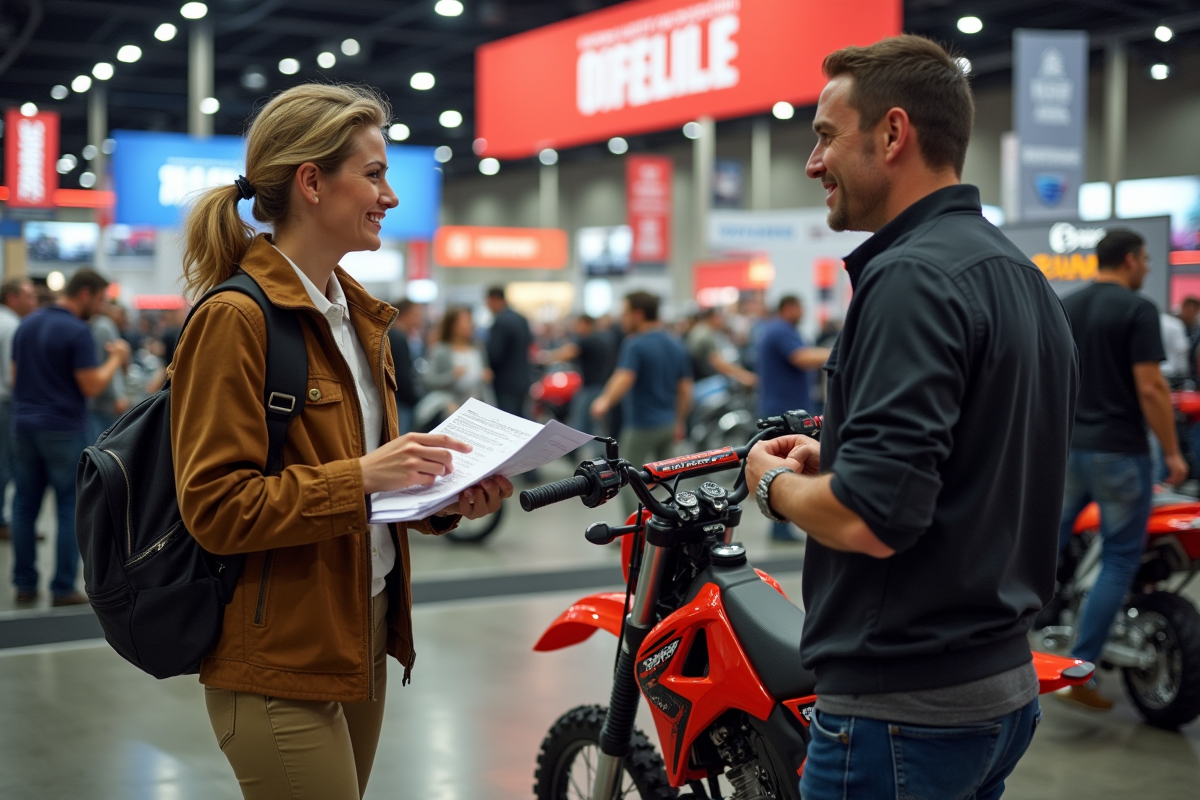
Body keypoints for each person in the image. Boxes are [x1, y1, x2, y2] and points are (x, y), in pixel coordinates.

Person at [744, 36, 1078, 799]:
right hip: (999, 687)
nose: (813, 163)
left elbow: (870, 519)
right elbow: (978, 456)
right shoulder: (1017, 273)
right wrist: (843, 455)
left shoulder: (910, 278)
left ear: (893, 133)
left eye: (826, 136)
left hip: (901, 711)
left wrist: (770, 484)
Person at [171, 83, 510, 800]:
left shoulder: (357, 319)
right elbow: (217, 508)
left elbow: (365, 489)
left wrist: (440, 498)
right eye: (374, 173)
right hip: (277, 653)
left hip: (364, 629)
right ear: (312, 182)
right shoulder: (237, 318)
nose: (390, 196)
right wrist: (363, 475)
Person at [1054, 229, 1185, 711]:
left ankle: (1005, 642)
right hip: (1120, 453)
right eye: (1146, 259)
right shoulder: (1138, 309)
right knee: (1120, 559)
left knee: (1044, 546)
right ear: (1129, 260)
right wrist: (1173, 453)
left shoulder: (1067, 304)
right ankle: (1082, 669)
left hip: (1070, 451)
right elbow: (1151, 387)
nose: (1148, 267)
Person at [11, 269, 131, 606]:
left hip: (24, 427)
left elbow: (14, 378)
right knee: (69, 506)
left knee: (24, 505)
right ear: (85, 294)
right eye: (101, 299)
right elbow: (91, 386)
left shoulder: (27, 325)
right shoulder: (77, 330)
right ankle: (62, 588)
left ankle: (24, 584)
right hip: (63, 428)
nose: (102, 307)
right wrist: (116, 358)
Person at [591, 291, 692, 511]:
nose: (622, 319)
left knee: (627, 477)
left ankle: (635, 527)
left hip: (641, 426)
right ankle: (666, 523)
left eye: (625, 313)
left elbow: (624, 376)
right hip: (668, 424)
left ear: (638, 314)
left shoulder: (635, 344)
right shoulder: (675, 343)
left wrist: (604, 401)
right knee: (668, 480)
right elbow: (685, 388)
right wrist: (680, 421)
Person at [755, 295, 831, 541]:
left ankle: (783, 525)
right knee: (786, 466)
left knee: (791, 465)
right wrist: (841, 353)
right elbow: (801, 357)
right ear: (788, 308)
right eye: (799, 308)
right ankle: (780, 526)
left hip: (787, 409)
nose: (803, 313)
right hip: (783, 412)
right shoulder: (780, 330)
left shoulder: (784, 330)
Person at [539, 314, 615, 444]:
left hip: (591, 388)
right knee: (592, 426)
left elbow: (569, 352)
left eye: (578, 325)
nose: (576, 328)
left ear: (586, 324)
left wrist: (545, 358)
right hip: (600, 386)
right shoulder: (601, 338)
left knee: (580, 424)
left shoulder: (588, 340)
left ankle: (574, 449)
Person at [0, 278, 37, 542]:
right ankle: (2, 521)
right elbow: (12, 377)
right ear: (12, 298)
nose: (33, 302)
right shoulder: (13, 325)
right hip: (5, 403)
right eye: (29, 296)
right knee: (6, 464)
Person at [424, 306, 488, 410]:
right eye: (465, 321)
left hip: (477, 404)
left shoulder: (478, 348)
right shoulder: (441, 350)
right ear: (452, 325)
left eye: (470, 321)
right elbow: (428, 381)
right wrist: (452, 376)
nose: (469, 325)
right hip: (452, 406)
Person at [484, 286, 533, 419]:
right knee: (521, 418)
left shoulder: (500, 322)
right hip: (523, 379)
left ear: (495, 299)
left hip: (505, 382)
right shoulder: (521, 319)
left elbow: (494, 354)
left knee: (507, 420)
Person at [88, 299, 131, 442]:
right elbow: (109, 365)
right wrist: (118, 395)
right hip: (105, 403)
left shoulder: (99, 325)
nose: (120, 316)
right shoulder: (105, 327)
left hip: (100, 402)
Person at [686, 307, 756, 388]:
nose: (723, 320)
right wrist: (744, 375)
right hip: (705, 382)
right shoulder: (705, 335)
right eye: (720, 317)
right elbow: (718, 363)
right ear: (713, 317)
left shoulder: (700, 330)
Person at [387, 299, 423, 434]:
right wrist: (414, 398)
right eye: (416, 314)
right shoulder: (397, 337)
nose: (420, 318)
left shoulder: (394, 334)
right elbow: (401, 373)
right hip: (400, 401)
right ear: (406, 315)